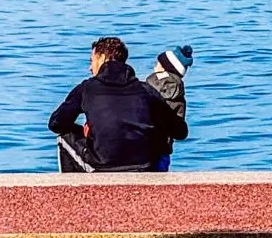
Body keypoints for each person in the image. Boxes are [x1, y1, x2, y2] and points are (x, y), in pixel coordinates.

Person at [49, 36, 188, 172]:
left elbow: (56, 124)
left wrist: (91, 133)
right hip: (143, 164)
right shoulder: (146, 90)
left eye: (91, 61)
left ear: (102, 58)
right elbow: (180, 131)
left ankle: (75, 191)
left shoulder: (86, 88)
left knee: (64, 136)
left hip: (101, 164)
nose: (90, 68)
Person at [143, 45, 194, 171]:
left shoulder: (147, 85)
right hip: (163, 151)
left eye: (158, 63)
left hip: (142, 147)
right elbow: (179, 131)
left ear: (164, 68)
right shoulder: (178, 94)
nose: (155, 66)